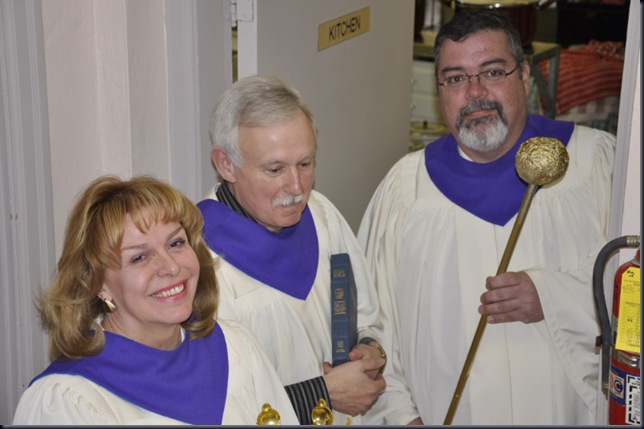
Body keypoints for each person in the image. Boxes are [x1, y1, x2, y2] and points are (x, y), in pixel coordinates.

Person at [358, 10, 615, 426]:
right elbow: (372, 324)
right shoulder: (406, 191)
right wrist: (402, 418)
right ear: (438, 89)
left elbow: (631, 281)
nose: (475, 92)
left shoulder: (594, 164)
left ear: (524, 76)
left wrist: (553, 296)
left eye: (492, 72)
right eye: (456, 78)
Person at [197, 75, 421, 425]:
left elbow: (367, 318)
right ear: (225, 164)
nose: (297, 187)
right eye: (275, 169)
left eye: (305, 164)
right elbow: (213, 404)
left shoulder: (321, 215)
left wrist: (369, 350)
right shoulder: (196, 263)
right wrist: (321, 394)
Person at [12, 175, 298, 425]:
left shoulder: (236, 348)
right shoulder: (70, 400)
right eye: (139, 257)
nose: (171, 267)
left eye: (176, 243)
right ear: (96, 283)